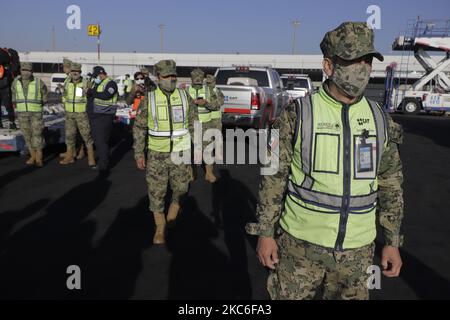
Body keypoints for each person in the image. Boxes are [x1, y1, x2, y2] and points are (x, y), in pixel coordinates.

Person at [246, 22, 405, 300]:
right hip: (299, 248)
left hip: (357, 254)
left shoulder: (381, 120)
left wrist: (391, 241)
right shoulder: (296, 114)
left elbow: (391, 184)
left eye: (366, 61)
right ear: (329, 66)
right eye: (351, 60)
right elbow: (272, 176)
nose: (362, 69)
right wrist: (265, 232)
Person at [133, 59, 201, 244]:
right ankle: (160, 226)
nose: (171, 79)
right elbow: (139, 127)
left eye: (174, 76)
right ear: (158, 77)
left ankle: (172, 214)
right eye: (167, 76)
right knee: (156, 192)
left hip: (181, 152)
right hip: (157, 154)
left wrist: (199, 149)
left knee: (181, 188)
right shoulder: (150, 98)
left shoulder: (184, 97)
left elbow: (194, 124)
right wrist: (139, 153)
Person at [59, 62, 96, 168]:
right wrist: (65, 105)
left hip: (81, 114)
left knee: (86, 135)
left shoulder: (85, 83)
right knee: (70, 135)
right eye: (73, 71)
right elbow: (64, 95)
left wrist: (89, 91)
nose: (75, 73)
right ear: (70, 72)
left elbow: (91, 96)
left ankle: (91, 158)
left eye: (77, 71)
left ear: (80, 72)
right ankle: (69, 157)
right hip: (69, 114)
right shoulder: (67, 83)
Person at [187, 69, 221, 183]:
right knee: (192, 148)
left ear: (202, 79)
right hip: (191, 125)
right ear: (191, 79)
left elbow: (216, 105)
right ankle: (193, 172)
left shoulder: (208, 90)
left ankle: (209, 172)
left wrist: (206, 103)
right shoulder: (185, 90)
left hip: (206, 123)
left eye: (199, 78)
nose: (197, 81)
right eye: (195, 78)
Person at [11, 62, 47, 167]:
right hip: (22, 113)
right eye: (24, 70)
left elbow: (45, 94)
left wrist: (40, 104)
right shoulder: (15, 82)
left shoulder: (38, 82)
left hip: (36, 112)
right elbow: (14, 95)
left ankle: (39, 157)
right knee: (27, 135)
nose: (26, 72)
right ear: (20, 71)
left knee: (37, 134)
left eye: (28, 70)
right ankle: (32, 156)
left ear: (32, 72)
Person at [86, 66, 118, 176]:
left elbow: (106, 95)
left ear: (101, 74)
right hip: (95, 116)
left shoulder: (111, 83)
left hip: (104, 117)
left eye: (96, 76)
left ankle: (103, 167)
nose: (96, 78)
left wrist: (91, 92)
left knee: (101, 142)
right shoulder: (99, 83)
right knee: (99, 141)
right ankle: (104, 162)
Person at [205, 74, 224, 163]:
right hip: (206, 119)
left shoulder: (218, 91)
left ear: (214, 82)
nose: (209, 84)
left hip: (216, 119)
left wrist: (209, 104)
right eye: (207, 83)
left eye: (210, 82)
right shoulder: (204, 91)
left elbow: (220, 102)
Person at [0, 57, 17, 130]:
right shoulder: (7, 70)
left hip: (5, 88)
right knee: (8, 107)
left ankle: (0, 123)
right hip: (5, 89)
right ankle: (12, 123)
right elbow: (11, 79)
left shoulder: (6, 69)